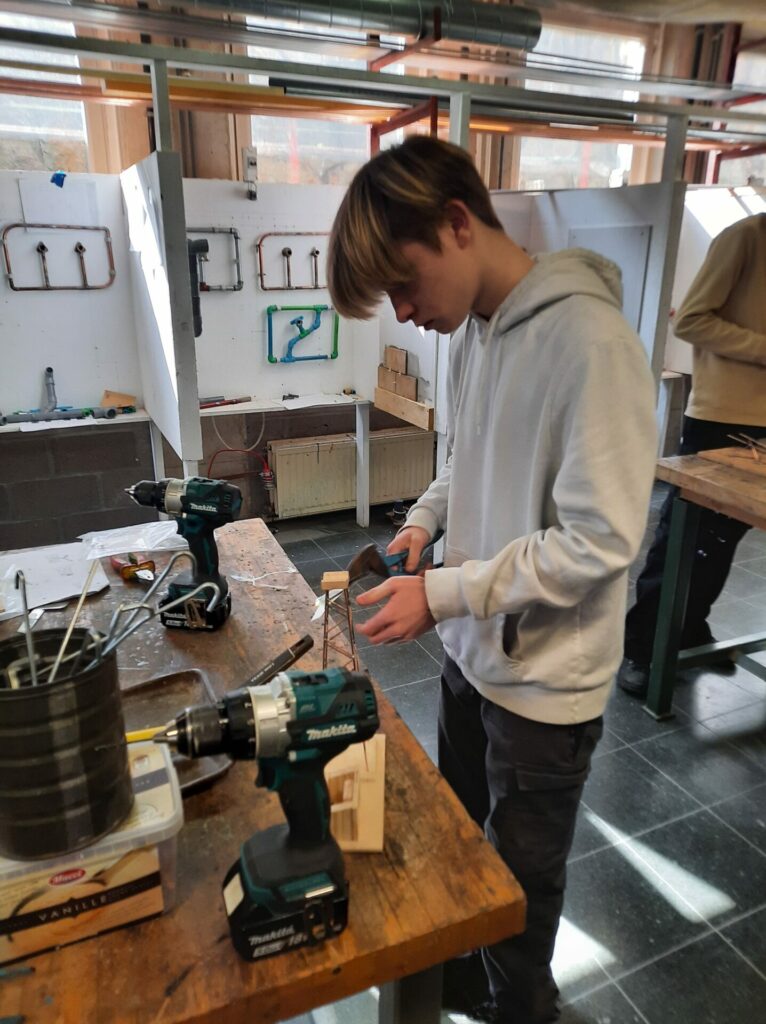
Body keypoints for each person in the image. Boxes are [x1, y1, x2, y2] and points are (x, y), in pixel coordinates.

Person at [327, 135, 656, 1024]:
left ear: (457, 223)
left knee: (518, 886)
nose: (405, 313)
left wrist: (442, 593)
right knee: (457, 845)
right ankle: (463, 987)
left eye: (404, 284)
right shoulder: (473, 327)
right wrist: (423, 523)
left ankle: (521, 1008)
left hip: (544, 690)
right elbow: (466, 457)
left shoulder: (593, 344)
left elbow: (598, 543)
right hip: (471, 656)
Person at [619, 212, 766, 698]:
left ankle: (689, 627)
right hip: (723, 416)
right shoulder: (745, 237)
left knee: (723, 540)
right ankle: (642, 648)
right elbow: (692, 320)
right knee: (686, 538)